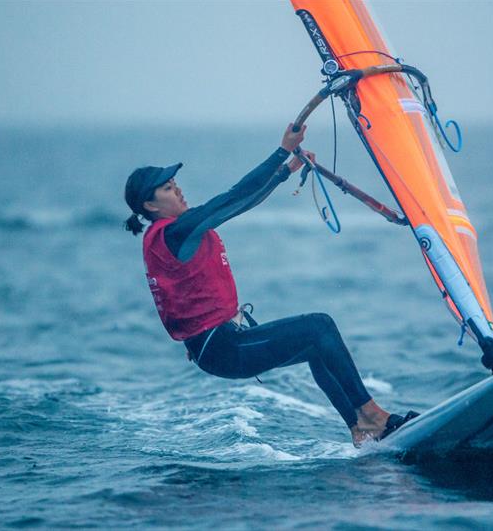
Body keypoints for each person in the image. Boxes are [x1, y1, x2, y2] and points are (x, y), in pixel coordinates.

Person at [123, 124, 417, 447]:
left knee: (315, 345)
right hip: (221, 347)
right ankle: (374, 415)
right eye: (167, 188)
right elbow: (233, 198)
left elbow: (242, 203)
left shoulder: (177, 230)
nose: (177, 190)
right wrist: (282, 152)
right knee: (319, 327)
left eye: (174, 183)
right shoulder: (173, 233)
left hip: (223, 343)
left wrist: (284, 172)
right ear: (150, 206)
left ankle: (360, 428)